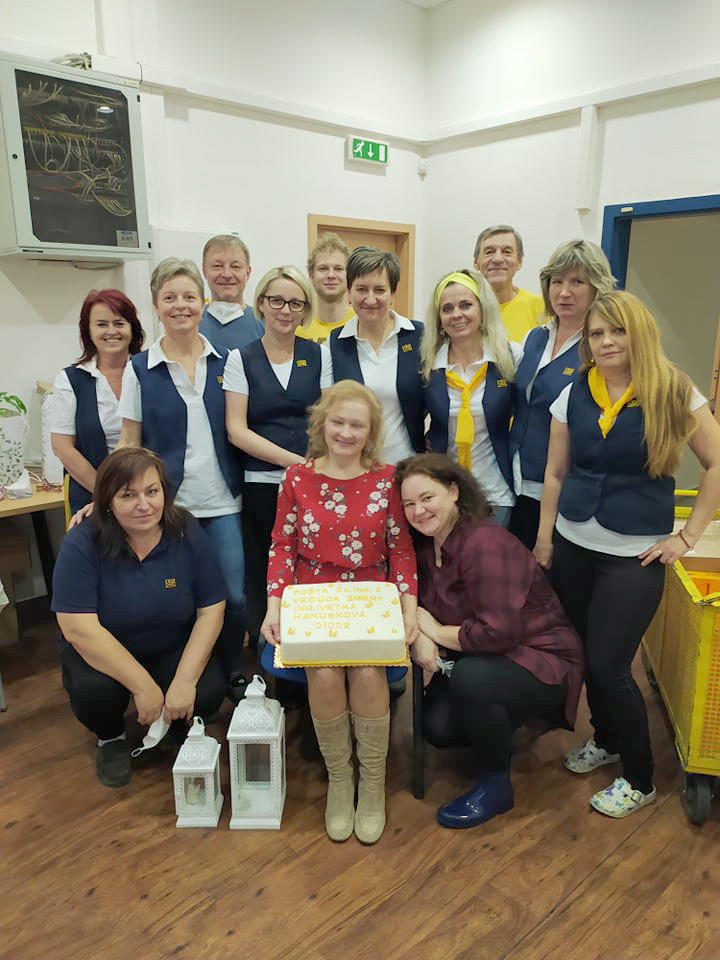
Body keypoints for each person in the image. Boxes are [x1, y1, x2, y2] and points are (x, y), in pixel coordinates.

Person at [535, 290, 720, 818]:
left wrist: (687, 536)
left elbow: (716, 463)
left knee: (611, 665)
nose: (607, 341)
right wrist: (545, 538)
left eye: (617, 330)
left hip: (634, 556)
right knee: (585, 653)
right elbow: (555, 473)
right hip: (573, 544)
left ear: (640, 332)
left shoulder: (674, 390)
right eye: (597, 333)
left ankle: (639, 778)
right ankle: (608, 738)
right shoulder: (573, 391)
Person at [261, 381, 418, 844]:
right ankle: (340, 778)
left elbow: (401, 551)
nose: (346, 432)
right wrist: (274, 606)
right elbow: (282, 546)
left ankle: (371, 782)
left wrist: (409, 610)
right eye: (338, 422)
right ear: (322, 424)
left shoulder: (389, 479)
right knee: (325, 674)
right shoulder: (296, 478)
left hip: (372, 596)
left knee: (368, 673)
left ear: (371, 432)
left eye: (357, 425)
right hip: (313, 597)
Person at [396, 453, 583, 829]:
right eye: (409, 503)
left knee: (472, 680)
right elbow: (419, 604)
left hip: (540, 658)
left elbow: (495, 633)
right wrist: (420, 633)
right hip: (486, 654)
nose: (419, 511)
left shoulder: (484, 543)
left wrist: (434, 632)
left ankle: (496, 787)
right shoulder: (427, 546)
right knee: (437, 726)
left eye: (428, 497)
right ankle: (504, 720)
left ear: (454, 492)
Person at [52, 447, 226, 788]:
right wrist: (143, 686)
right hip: (106, 650)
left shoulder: (186, 531)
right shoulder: (82, 543)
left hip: (168, 643)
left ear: (165, 493)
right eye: (128, 495)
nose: (144, 505)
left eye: (152, 491)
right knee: (93, 692)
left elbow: (211, 609)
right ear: (107, 501)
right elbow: (78, 628)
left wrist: (184, 682)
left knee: (207, 690)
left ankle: (175, 723)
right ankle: (111, 738)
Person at [117, 257, 246, 700]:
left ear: (202, 301)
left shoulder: (227, 360)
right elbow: (129, 440)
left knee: (234, 595)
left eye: (189, 296)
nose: (181, 305)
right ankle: (192, 676)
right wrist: (107, 495)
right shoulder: (139, 368)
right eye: (169, 297)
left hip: (224, 499)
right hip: (168, 507)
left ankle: (233, 671)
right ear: (156, 305)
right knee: (181, 598)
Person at [224, 265, 325, 648]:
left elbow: (326, 419)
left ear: (305, 310)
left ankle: (311, 646)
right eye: (277, 300)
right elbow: (236, 430)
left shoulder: (319, 355)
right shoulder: (240, 359)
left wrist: (310, 468)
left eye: (295, 303)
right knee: (263, 569)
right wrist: (294, 463)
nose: (286, 310)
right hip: (261, 485)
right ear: (261, 304)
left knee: (310, 565)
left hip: (313, 483)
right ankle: (266, 651)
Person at [508, 240, 615, 550]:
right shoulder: (535, 336)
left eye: (577, 282)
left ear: (597, 287)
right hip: (516, 484)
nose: (564, 292)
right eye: (557, 281)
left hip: (564, 492)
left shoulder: (600, 347)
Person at [422, 269, 518, 526]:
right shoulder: (429, 366)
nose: (457, 314)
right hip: (445, 493)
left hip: (496, 493)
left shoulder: (509, 358)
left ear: (482, 308)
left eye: (466, 305)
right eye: (447, 308)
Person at [322, 246, 425, 465]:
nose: (370, 299)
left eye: (379, 290)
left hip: (408, 467)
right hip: (354, 467)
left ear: (392, 293)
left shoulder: (418, 336)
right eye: (361, 289)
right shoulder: (335, 343)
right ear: (349, 292)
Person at [50, 289, 145, 515]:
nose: (111, 331)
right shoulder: (71, 380)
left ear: (132, 328)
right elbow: (62, 447)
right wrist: (108, 495)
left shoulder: (150, 372)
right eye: (102, 324)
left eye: (119, 323)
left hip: (148, 497)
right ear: (88, 331)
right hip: (91, 498)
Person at [473, 225, 544, 342]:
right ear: (476, 262)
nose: (497, 259)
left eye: (507, 252)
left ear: (519, 262)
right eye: (489, 252)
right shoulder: (464, 310)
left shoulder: (540, 307)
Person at [199, 234, 264, 351]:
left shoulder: (265, 326)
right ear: (204, 271)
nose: (227, 274)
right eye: (217, 266)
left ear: (248, 272)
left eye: (235, 266)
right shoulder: (191, 323)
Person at [297, 232, 353, 343]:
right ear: (311, 276)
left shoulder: (361, 324)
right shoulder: (298, 326)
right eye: (323, 269)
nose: (331, 275)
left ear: (349, 275)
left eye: (338, 269)